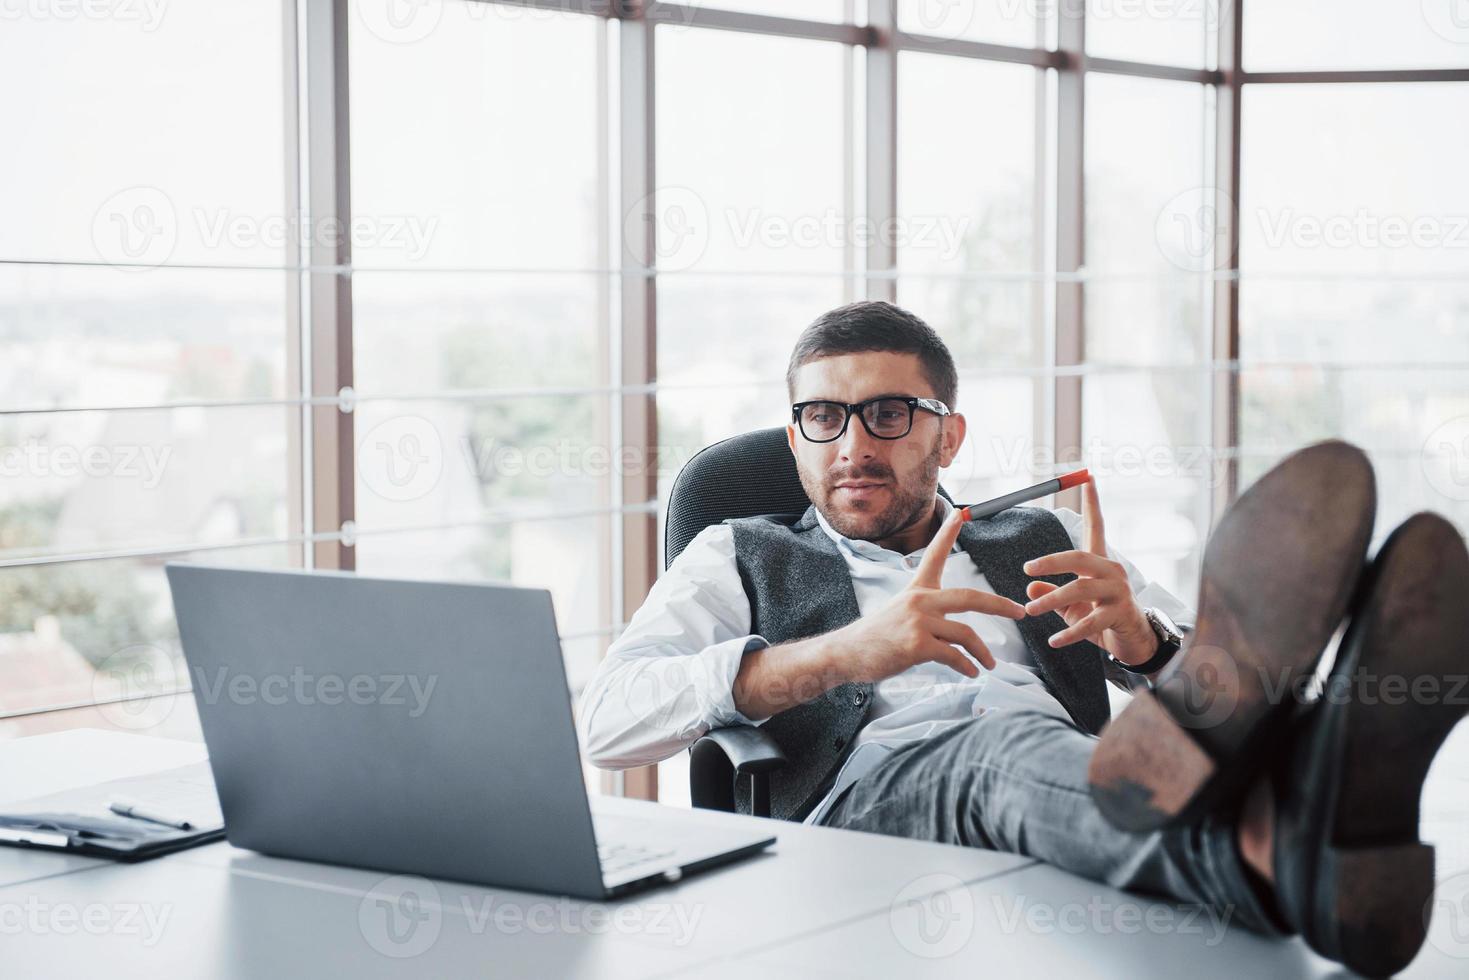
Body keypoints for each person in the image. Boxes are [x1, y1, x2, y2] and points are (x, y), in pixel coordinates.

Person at [578, 300, 1468, 977]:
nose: (852, 444)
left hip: (1062, 781)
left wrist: (1143, 645)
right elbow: (609, 726)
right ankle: (1300, 817)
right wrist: (844, 654)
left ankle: (1295, 830)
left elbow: (1199, 674)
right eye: (823, 418)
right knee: (988, 739)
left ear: (948, 433)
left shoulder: (1037, 536)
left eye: (888, 414)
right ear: (796, 435)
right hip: (860, 818)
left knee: (1180, 702)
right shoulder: (737, 552)